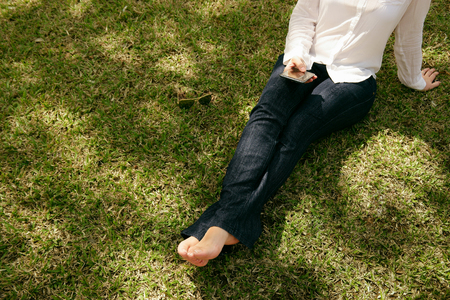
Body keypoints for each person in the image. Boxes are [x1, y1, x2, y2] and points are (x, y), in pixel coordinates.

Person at [178, 0, 441, 267]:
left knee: (296, 130)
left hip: (354, 80)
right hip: (306, 60)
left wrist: (414, 80)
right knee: (265, 117)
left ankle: (217, 226)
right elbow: (305, 14)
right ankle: (227, 226)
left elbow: (409, 35)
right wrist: (296, 55)